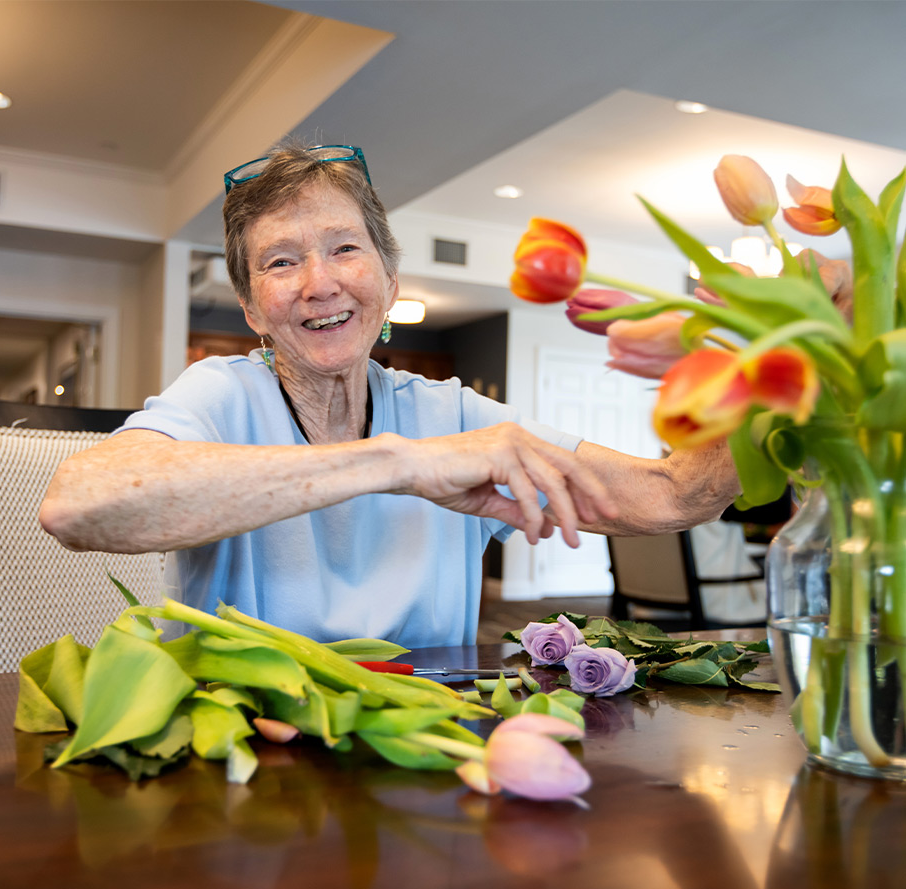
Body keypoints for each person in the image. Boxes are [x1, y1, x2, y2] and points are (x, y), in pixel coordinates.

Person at [38, 142, 739, 648]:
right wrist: (399, 464)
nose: (319, 282)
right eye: (282, 262)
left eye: (344, 248)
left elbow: (675, 495)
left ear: (390, 281)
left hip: (426, 755)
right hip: (247, 759)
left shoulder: (453, 414)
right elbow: (78, 505)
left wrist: (765, 360)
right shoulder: (223, 394)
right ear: (252, 309)